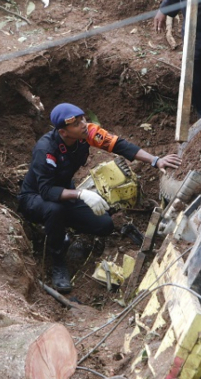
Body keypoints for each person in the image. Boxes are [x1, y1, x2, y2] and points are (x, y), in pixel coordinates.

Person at [18, 103, 182, 293]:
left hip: (64, 194)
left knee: (104, 225)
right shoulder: (46, 150)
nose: (84, 124)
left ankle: (64, 229)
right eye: (77, 123)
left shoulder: (87, 134)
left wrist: (155, 160)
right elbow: (46, 191)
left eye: (83, 119)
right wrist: (81, 194)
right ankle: (58, 261)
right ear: (63, 132)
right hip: (34, 198)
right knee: (55, 210)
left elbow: (119, 145)